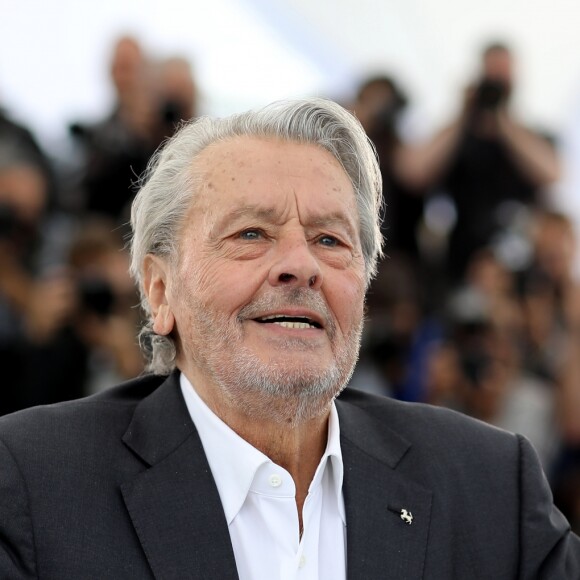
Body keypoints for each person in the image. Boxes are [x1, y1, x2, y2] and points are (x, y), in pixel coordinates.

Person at [0, 98, 578, 579]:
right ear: (160, 291)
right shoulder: (33, 482)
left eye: (330, 239)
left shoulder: (491, 485)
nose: (300, 266)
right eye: (251, 233)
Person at [396, 42, 560, 281]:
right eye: (490, 75)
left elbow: (553, 173)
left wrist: (504, 122)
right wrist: (462, 114)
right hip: (461, 262)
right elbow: (412, 172)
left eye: (502, 77)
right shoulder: (457, 136)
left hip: (521, 264)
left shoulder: (530, 135)